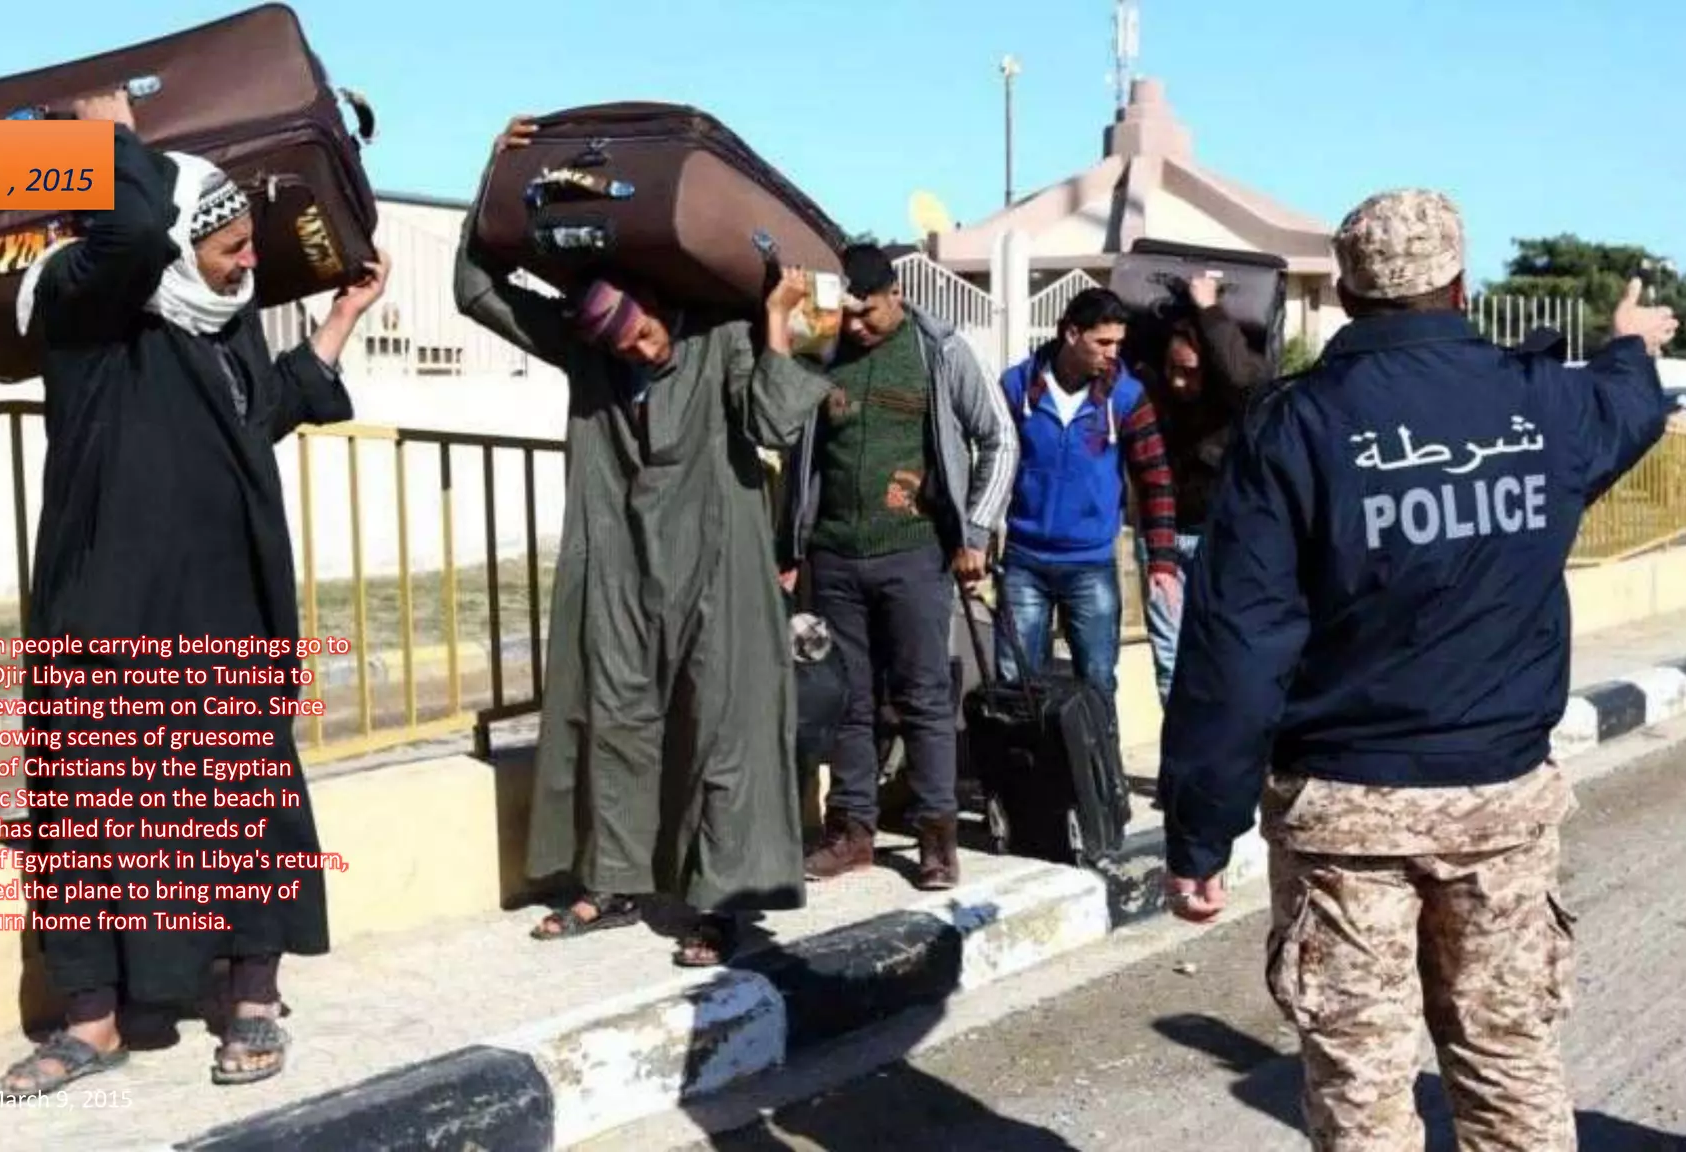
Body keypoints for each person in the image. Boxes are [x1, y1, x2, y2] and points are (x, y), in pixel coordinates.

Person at [1157, 188, 1678, 1150]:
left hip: (1345, 816)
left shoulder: (1297, 427)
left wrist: (1199, 833)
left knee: (1363, 1087)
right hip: (1501, 808)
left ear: (1349, 296)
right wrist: (1629, 340)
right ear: (1460, 284)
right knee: (1509, 1063)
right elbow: (1628, 409)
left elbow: (1237, 647)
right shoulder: (1543, 407)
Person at [0, 87, 389, 1097]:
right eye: (230, 248)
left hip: (225, 608)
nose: (249, 261)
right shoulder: (88, 306)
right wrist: (111, 140)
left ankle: (251, 1001)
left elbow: (255, 416)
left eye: (251, 245)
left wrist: (339, 324)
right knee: (90, 811)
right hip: (108, 614)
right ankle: (92, 1022)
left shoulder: (224, 326)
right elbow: (129, 221)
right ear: (177, 245)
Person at [454, 115, 834, 967]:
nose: (641, 348)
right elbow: (476, 289)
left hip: (718, 563)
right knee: (615, 719)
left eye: (644, 332)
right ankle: (613, 882)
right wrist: (497, 171)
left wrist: (774, 321)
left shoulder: (722, 340)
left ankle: (720, 904)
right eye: (622, 343)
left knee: (721, 733)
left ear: (661, 307)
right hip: (620, 564)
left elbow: (776, 418)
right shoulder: (591, 359)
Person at [776, 243, 1018, 891]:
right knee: (844, 699)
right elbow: (787, 439)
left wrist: (974, 528)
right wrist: (788, 547)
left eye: (869, 311)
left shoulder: (939, 352)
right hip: (831, 558)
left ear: (895, 296)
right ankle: (850, 830)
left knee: (923, 696)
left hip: (915, 555)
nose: (857, 325)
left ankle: (936, 837)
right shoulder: (821, 352)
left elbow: (998, 435)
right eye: (847, 312)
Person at [994, 287, 1179, 711]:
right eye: (1103, 342)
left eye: (1119, 343)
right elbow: (989, 461)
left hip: (1090, 564)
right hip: (1024, 560)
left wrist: (1163, 562)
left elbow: (1155, 478)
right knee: (1016, 684)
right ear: (1072, 333)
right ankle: (1024, 778)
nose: (1113, 353)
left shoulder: (1126, 396)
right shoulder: (1017, 387)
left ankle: (1101, 777)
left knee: (1097, 685)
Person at [1126, 273, 1268, 702]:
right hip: (1163, 541)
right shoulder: (1152, 390)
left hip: (1219, 540)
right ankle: (1182, 762)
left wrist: (1209, 309)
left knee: (1224, 656)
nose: (1178, 382)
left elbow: (1244, 378)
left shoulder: (1235, 400)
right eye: (1172, 369)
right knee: (1171, 661)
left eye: (1188, 372)